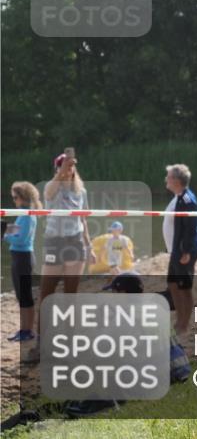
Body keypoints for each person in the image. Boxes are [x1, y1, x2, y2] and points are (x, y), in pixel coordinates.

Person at [25, 151, 98, 364]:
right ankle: (41, 345)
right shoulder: (52, 187)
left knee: (70, 297)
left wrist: (89, 246)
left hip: (75, 242)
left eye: (71, 166)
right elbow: (47, 194)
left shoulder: (80, 191)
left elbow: (83, 220)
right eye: (63, 166)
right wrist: (61, 172)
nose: (68, 169)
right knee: (47, 295)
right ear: (57, 168)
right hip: (55, 242)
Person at [163, 164, 197, 335]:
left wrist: (186, 251)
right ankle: (179, 319)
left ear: (177, 181)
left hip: (184, 251)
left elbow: (191, 228)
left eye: (169, 176)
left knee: (184, 287)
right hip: (175, 250)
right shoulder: (179, 197)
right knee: (172, 284)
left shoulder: (187, 200)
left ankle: (184, 324)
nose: (166, 179)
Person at [4, 182, 40, 342]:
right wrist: (4, 228)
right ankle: (24, 329)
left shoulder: (28, 215)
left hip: (23, 257)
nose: (14, 200)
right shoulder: (23, 214)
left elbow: (21, 239)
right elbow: (17, 231)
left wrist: (3, 235)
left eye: (15, 197)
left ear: (23, 198)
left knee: (25, 296)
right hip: (18, 257)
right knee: (21, 295)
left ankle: (28, 331)